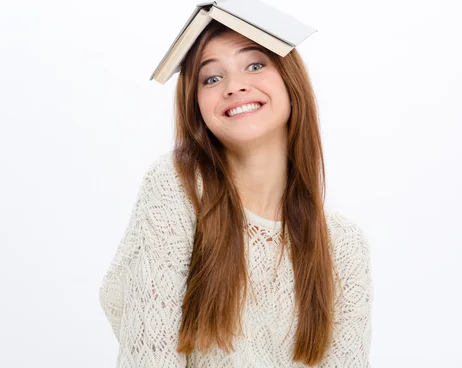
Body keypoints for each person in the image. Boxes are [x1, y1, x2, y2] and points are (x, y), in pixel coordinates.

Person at [99, 19, 373, 367]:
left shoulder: (343, 245)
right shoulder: (177, 187)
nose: (234, 86)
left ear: (290, 80)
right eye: (212, 78)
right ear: (195, 104)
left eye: (255, 65)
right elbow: (150, 356)